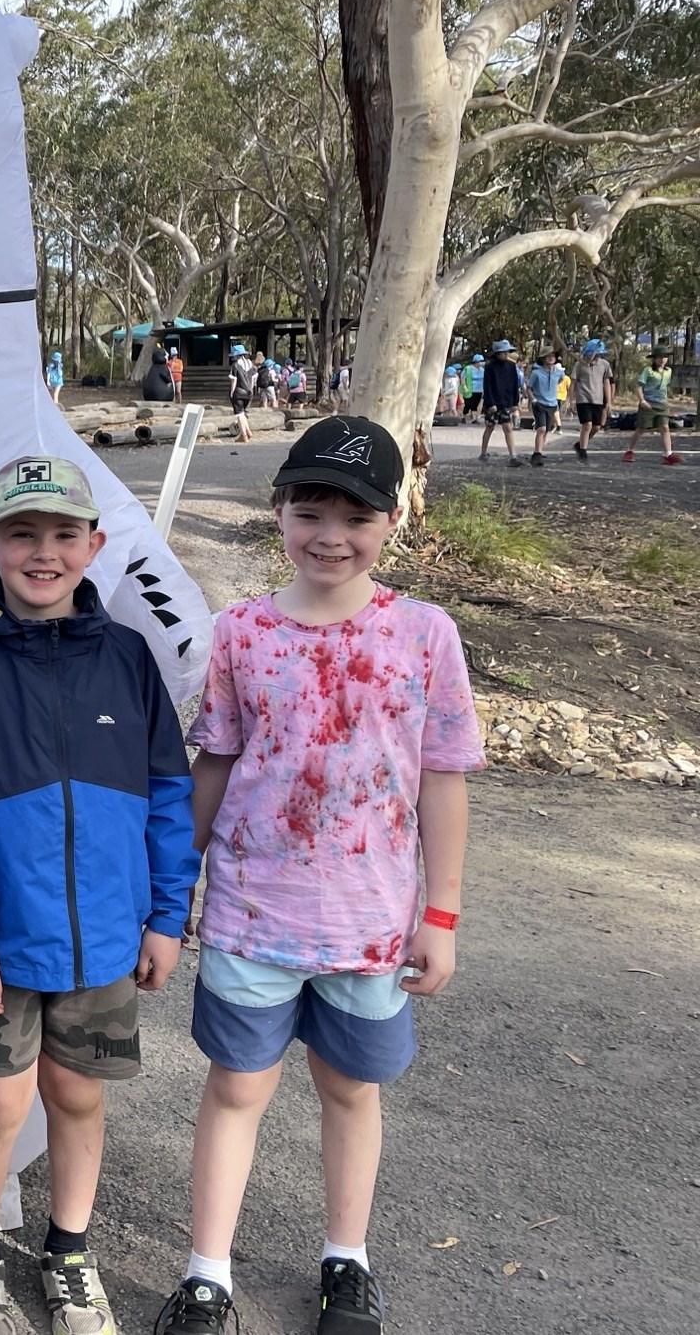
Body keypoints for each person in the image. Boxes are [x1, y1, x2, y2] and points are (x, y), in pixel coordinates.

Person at [154, 416, 482, 1335]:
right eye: (310, 511)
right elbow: (215, 761)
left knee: (349, 1090)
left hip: (372, 925)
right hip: (251, 915)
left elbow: (443, 780)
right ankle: (207, 1274)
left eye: (357, 515)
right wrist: (172, 890)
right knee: (236, 1089)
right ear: (279, 512)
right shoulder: (240, 632)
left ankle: (348, 1260)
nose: (331, 535)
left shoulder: (425, 634)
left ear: (393, 519)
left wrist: (442, 915)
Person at [0, 455, 197, 1335]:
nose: (44, 552)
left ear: (94, 545)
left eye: (64, 534)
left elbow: (169, 793)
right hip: (3, 936)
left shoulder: (128, 657)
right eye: (22, 533)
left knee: (78, 1095)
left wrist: (166, 915)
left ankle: (70, 1251)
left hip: (109, 936)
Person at [623, 347, 685, 465]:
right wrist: (642, 400)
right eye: (659, 357)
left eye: (665, 357)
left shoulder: (668, 371)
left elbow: (665, 387)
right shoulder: (648, 370)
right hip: (648, 403)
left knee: (665, 427)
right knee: (641, 428)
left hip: (662, 404)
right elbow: (639, 386)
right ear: (655, 359)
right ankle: (630, 450)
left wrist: (668, 401)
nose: (662, 360)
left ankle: (668, 454)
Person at [478, 340, 524, 466]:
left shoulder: (511, 366)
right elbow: (487, 386)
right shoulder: (490, 366)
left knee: (508, 427)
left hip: (506, 401)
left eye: (507, 352)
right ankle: (483, 452)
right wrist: (490, 403)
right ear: (497, 353)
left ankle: (513, 456)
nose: (506, 354)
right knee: (490, 427)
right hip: (493, 401)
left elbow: (515, 385)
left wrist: (515, 403)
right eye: (503, 352)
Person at [570, 338, 614, 458]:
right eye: (594, 353)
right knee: (587, 424)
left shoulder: (604, 365)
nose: (596, 356)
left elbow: (607, 383)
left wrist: (609, 401)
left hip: (598, 399)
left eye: (598, 354)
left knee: (596, 427)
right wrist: (571, 400)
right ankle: (583, 451)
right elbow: (573, 383)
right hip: (583, 398)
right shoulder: (579, 364)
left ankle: (580, 444)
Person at [524, 348, 563, 465]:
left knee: (546, 430)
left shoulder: (559, 372)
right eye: (548, 356)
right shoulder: (536, 373)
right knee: (541, 429)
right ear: (543, 358)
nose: (551, 358)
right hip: (539, 403)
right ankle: (536, 454)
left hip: (552, 404)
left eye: (553, 356)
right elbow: (529, 388)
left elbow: (560, 380)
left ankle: (540, 451)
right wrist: (533, 400)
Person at [228, 345, 256, 442]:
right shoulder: (251, 364)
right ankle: (248, 432)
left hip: (239, 392)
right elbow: (253, 380)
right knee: (243, 413)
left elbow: (234, 380)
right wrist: (251, 390)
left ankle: (243, 435)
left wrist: (232, 393)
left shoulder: (235, 365)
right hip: (249, 392)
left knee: (239, 414)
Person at [459, 353, 484, 423]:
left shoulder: (482, 370)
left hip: (479, 390)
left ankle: (474, 418)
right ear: (476, 361)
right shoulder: (468, 368)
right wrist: (464, 386)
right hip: (469, 389)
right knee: (468, 404)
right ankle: (464, 416)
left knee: (475, 404)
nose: (481, 363)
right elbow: (463, 378)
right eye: (480, 361)